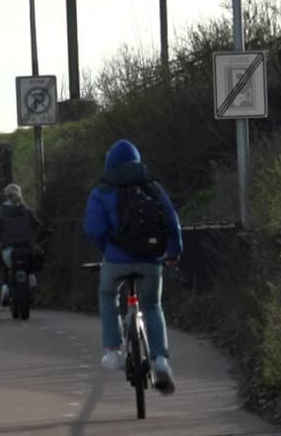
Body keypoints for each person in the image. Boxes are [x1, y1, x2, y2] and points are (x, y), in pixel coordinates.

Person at [83, 139, 182, 394]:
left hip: (116, 261)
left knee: (107, 294)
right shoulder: (154, 188)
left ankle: (113, 351)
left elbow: (93, 229)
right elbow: (172, 222)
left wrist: (108, 248)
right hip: (151, 260)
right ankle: (160, 360)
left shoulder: (101, 192)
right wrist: (173, 252)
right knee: (152, 306)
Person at [0, 183, 43, 306]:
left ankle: (5, 287)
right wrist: (33, 238)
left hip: (9, 251)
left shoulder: (0, 213)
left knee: (3, 266)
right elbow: (38, 226)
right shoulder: (27, 211)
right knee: (34, 260)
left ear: (6, 196)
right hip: (27, 249)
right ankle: (32, 277)